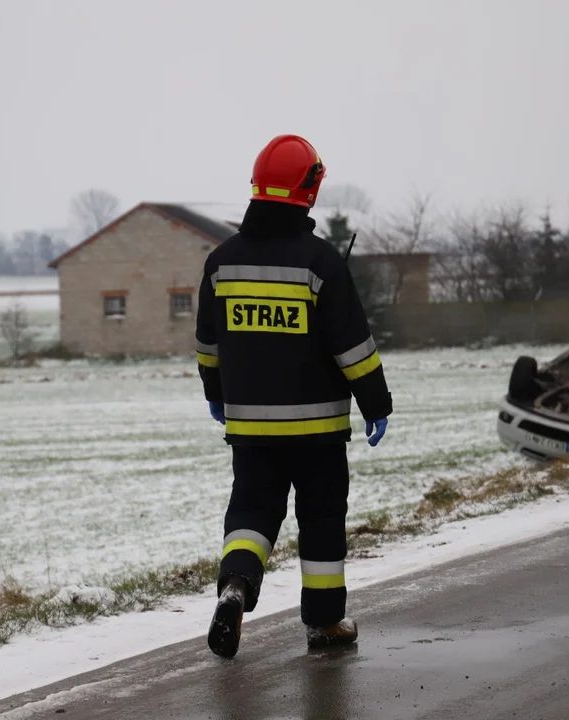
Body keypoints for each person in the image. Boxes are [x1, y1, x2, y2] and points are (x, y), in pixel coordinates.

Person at [194, 134, 393, 657]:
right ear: (306, 191)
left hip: (251, 429)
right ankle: (325, 625)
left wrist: (216, 395)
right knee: (321, 521)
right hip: (318, 432)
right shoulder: (321, 263)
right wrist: (376, 404)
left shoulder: (221, 263)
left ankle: (236, 586)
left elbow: (207, 346)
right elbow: (353, 347)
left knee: (252, 513)